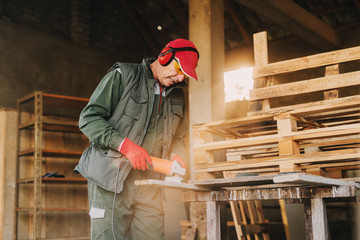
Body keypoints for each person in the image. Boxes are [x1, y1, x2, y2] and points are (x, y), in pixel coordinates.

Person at [74, 38, 199, 240]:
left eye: (184, 75)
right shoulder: (124, 75)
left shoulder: (177, 96)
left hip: (150, 185)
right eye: (178, 70)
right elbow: (89, 119)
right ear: (164, 56)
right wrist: (127, 146)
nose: (179, 78)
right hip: (111, 181)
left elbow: (180, 137)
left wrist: (178, 155)